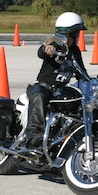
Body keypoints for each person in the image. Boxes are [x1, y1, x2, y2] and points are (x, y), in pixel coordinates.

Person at [23, 11, 88, 148]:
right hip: (43, 87)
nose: (78, 36)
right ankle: (32, 134)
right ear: (69, 33)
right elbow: (42, 51)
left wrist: (92, 83)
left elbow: (82, 72)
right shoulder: (56, 45)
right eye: (77, 33)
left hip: (60, 91)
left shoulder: (75, 51)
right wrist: (48, 47)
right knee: (40, 96)